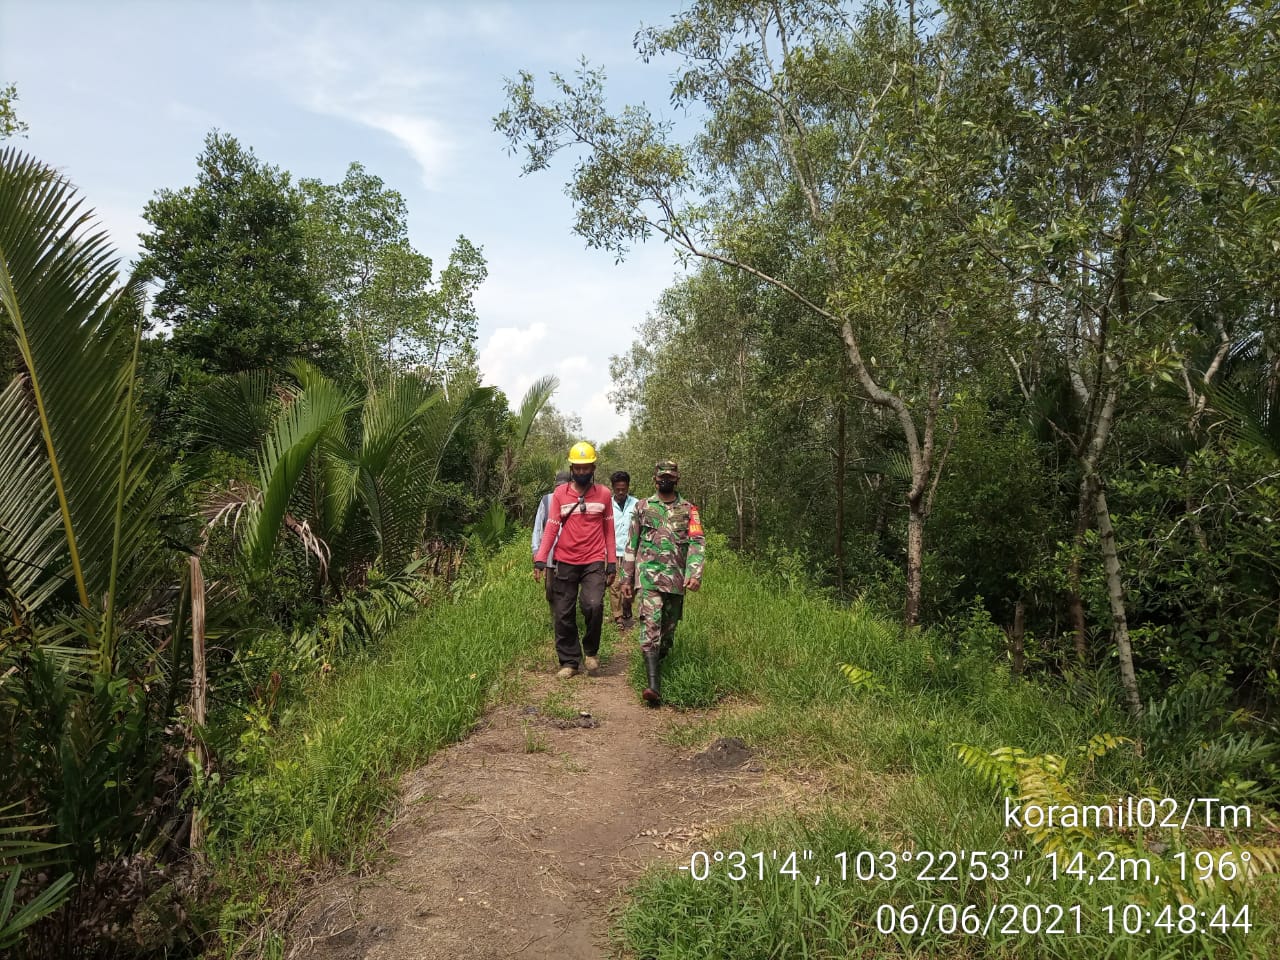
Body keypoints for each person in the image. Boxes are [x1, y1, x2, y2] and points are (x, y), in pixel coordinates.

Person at [622, 459, 705, 706]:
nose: (665, 480)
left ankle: (659, 663)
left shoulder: (689, 510)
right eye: (662, 477)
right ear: (654, 480)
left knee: (667, 633)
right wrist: (626, 578)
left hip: (676, 580)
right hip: (648, 577)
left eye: (670, 477)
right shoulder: (642, 507)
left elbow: (697, 542)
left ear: (677, 480)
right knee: (651, 624)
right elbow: (631, 543)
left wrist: (694, 572)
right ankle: (652, 686)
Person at [533, 442, 616, 678]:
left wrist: (612, 563)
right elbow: (551, 528)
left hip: (594, 560)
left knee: (594, 605)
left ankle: (590, 651)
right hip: (565, 559)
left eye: (586, 467)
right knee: (563, 612)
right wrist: (540, 559)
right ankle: (569, 661)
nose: (582, 472)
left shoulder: (604, 494)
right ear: (571, 469)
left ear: (593, 467)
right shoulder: (560, 494)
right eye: (578, 468)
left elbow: (609, 531)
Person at [532, 470, 572, 605]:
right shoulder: (547, 499)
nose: (560, 489)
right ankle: (555, 614)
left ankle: (563, 617)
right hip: (549, 553)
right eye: (558, 486)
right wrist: (536, 550)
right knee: (550, 588)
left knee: (566, 589)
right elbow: (538, 526)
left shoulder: (575, 500)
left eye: (564, 486)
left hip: (569, 553)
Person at [608, 470, 638, 628]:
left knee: (630, 584)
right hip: (613, 551)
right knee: (614, 585)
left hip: (631, 552)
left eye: (623, 489)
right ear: (613, 487)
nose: (621, 492)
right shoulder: (607, 504)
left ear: (628, 487)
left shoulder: (636, 504)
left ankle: (627, 607)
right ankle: (618, 616)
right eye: (618, 489)